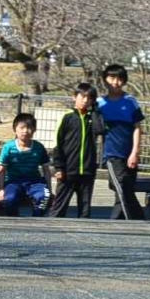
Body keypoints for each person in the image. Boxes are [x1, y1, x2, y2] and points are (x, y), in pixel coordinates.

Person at [46, 83, 105, 218]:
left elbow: (100, 130)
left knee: (85, 209)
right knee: (59, 207)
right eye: (82, 96)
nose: (86, 100)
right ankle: (52, 226)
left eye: (90, 98)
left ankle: (83, 229)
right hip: (68, 169)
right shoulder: (67, 117)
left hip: (87, 169)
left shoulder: (92, 117)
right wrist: (59, 167)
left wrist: (95, 110)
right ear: (74, 97)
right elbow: (57, 143)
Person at [97, 63, 146, 220]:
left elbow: (137, 128)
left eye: (119, 78)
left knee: (126, 189)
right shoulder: (99, 103)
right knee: (120, 187)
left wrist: (135, 152)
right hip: (112, 153)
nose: (115, 82)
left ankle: (137, 221)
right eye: (112, 78)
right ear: (105, 80)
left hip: (129, 154)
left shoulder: (130, 101)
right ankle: (125, 221)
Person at [0, 113, 51, 217]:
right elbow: (2, 170)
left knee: (44, 197)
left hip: (35, 182)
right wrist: (1, 189)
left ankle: (37, 219)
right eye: (22, 128)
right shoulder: (8, 147)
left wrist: (50, 190)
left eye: (29, 127)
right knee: (9, 199)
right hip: (13, 182)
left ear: (34, 130)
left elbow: (46, 170)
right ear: (15, 129)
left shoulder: (39, 147)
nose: (25, 131)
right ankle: (13, 220)